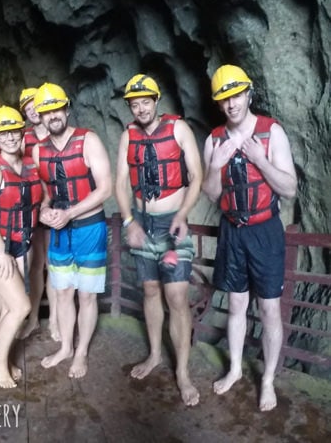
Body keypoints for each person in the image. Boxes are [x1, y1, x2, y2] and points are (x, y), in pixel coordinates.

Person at [201, 64, 296, 412]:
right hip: (232, 230)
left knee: (269, 309)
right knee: (237, 304)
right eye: (224, 98)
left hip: (265, 230)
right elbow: (211, 194)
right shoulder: (214, 139)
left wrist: (260, 159)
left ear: (248, 93)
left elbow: (289, 188)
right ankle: (236, 369)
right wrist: (215, 167)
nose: (231, 104)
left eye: (236, 94)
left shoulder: (272, 133)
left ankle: (267, 380)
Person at [115, 74, 202, 407]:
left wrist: (181, 215)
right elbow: (120, 183)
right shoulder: (128, 136)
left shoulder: (178, 129)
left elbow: (196, 176)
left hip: (172, 222)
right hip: (143, 222)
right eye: (134, 104)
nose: (140, 109)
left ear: (156, 100)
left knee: (177, 295)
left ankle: (182, 372)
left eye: (145, 102)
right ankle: (153, 355)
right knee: (150, 290)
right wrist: (128, 221)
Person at [35, 83, 112, 379]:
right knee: (64, 291)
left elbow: (104, 188)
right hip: (59, 232)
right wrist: (44, 212)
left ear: (66, 109)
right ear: (40, 117)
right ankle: (66, 347)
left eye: (57, 108)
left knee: (87, 296)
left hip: (89, 227)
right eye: (46, 111)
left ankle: (81, 352)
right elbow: (44, 193)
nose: (52, 115)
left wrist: (70, 213)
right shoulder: (39, 151)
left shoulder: (88, 140)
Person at [0, 106, 45, 388]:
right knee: (21, 306)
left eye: (13, 131)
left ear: (21, 132)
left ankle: (5, 358)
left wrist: (50, 210)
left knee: (7, 308)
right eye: (2, 133)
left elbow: (37, 200)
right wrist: (2, 251)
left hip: (21, 242)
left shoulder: (30, 164)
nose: (9, 138)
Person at [18, 86, 56, 340]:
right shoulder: (22, 138)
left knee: (54, 265)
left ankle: (54, 319)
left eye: (35, 104)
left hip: (56, 207)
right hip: (32, 208)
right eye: (27, 107)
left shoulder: (56, 132)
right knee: (35, 266)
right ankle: (33, 319)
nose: (32, 109)